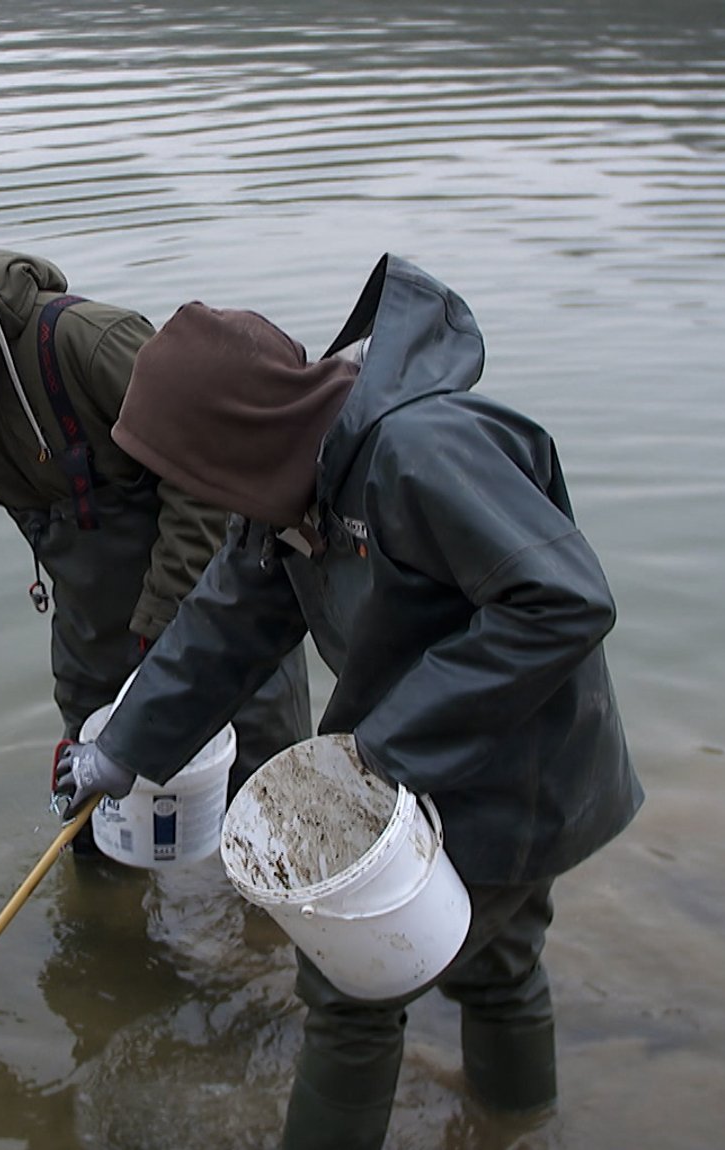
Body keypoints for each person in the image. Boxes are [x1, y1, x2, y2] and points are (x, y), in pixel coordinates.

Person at [53, 255, 644, 1147]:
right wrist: (123, 749)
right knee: (499, 965)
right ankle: (518, 1125)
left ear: (236, 437)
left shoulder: (422, 453)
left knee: (351, 988)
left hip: (519, 767)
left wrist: (380, 755)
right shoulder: (289, 485)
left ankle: (502, 1126)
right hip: (460, 760)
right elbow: (226, 621)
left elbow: (566, 601)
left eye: (188, 473)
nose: (190, 498)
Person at [0, 201, 309, 817]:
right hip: (95, 642)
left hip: (219, 620)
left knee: (270, 812)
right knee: (94, 822)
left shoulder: (84, 343)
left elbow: (210, 471)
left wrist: (162, 618)